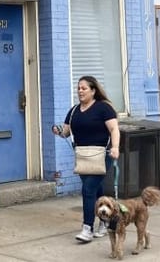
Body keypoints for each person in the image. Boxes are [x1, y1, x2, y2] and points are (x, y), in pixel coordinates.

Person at [52, 75, 120, 243]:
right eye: (78, 88)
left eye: (84, 88)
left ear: (93, 90)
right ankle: (105, 221)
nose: (80, 91)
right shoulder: (74, 110)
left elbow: (114, 129)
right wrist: (58, 131)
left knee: (88, 189)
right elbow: (66, 132)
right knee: (95, 189)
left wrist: (115, 147)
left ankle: (87, 228)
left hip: (102, 155)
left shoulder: (104, 108)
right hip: (82, 156)